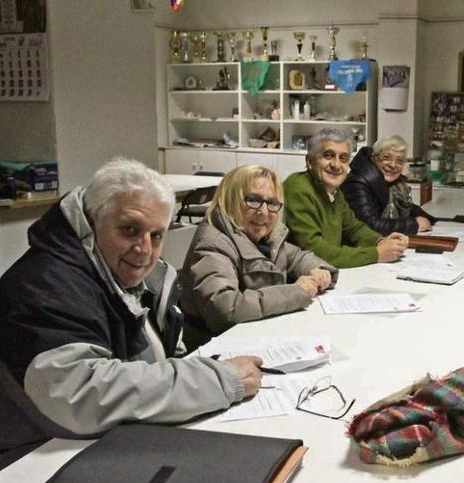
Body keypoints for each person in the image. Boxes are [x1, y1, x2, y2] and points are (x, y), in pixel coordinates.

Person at [0, 158, 263, 483]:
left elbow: (161, 361)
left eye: (156, 235)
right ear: (92, 220)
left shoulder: (139, 279)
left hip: (71, 448)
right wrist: (219, 380)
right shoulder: (39, 289)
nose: (144, 249)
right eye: (129, 230)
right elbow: (83, 396)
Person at [180, 165, 337, 348]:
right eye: (253, 200)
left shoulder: (265, 237)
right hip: (219, 351)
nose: (263, 211)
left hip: (258, 337)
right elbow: (226, 309)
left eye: (272, 203)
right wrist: (296, 292)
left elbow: (298, 257)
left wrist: (319, 271)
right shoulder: (213, 243)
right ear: (230, 201)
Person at [284, 128, 408, 268]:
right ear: (310, 162)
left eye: (343, 158)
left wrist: (381, 242)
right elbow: (315, 252)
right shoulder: (298, 187)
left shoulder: (334, 191)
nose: (336, 165)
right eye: (328, 155)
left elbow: (353, 228)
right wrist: (376, 254)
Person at [341, 134, 436, 235]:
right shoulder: (357, 183)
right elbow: (369, 225)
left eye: (399, 160)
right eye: (386, 157)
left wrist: (434, 220)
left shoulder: (395, 185)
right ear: (374, 158)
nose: (393, 165)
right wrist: (414, 224)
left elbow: (408, 207)